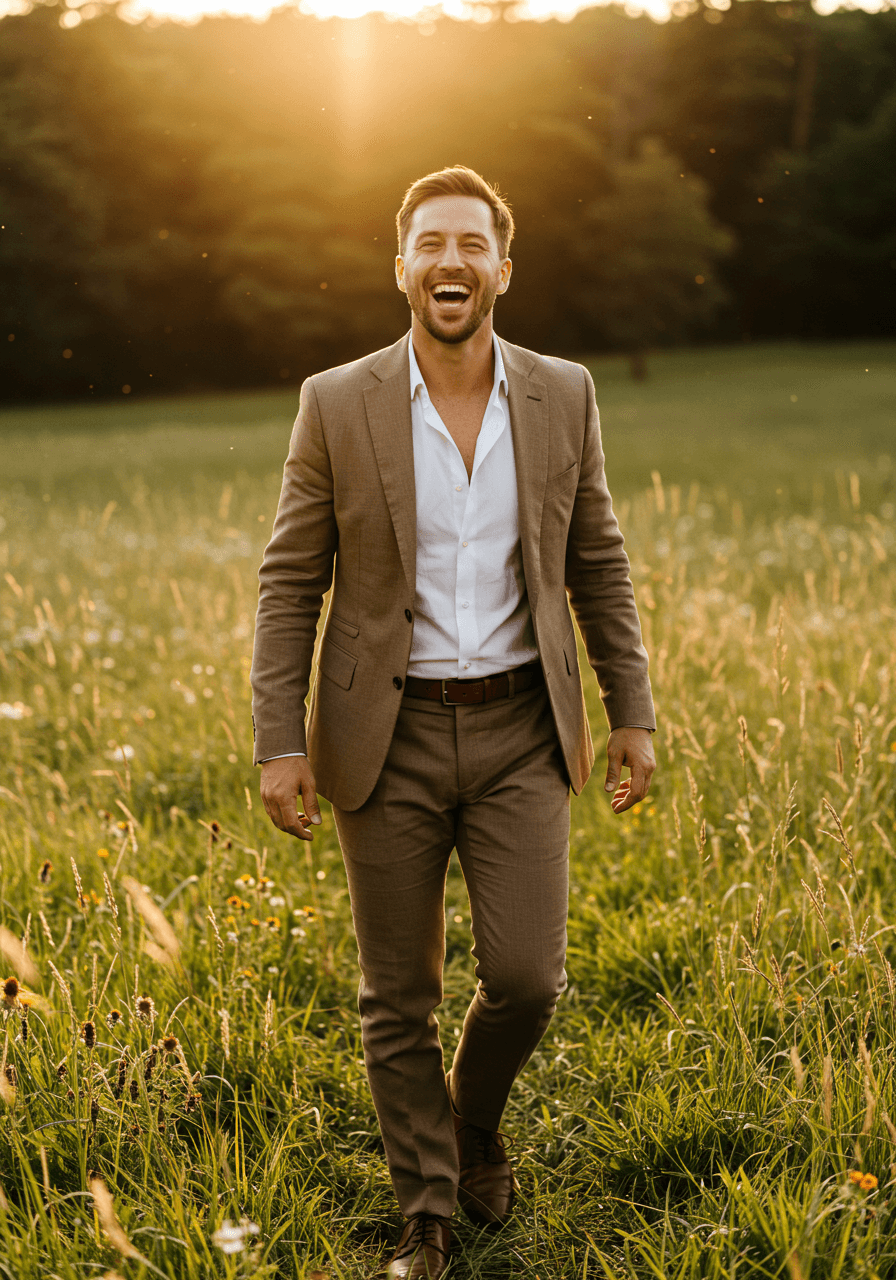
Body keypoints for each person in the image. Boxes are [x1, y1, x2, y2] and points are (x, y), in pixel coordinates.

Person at [250, 165, 656, 1279]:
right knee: (399, 991)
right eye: (430, 242)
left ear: (501, 270)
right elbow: (290, 580)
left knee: (525, 974)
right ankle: (424, 1203)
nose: (450, 261)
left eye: (471, 245)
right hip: (385, 735)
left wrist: (632, 709)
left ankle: (470, 1120)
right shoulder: (336, 401)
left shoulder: (563, 393)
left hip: (525, 722)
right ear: (400, 267)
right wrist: (279, 738)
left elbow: (597, 558)